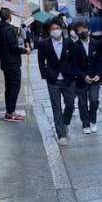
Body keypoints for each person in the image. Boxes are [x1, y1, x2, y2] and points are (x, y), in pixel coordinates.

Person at [37, 17, 77, 146]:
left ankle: (65, 122)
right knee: (56, 107)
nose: (56, 30)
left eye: (58, 28)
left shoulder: (69, 42)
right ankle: (61, 134)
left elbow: (75, 60)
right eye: (53, 29)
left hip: (68, 79)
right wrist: (45, 75)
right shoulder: (44, 44)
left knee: (70, 104)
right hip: (53, 80)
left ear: (61, 29)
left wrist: (74, 73)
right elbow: (41, 61)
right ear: (49, 31)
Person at [0, 8, 29, 122]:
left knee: (9, 87)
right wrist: (25, 50)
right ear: (9, 16)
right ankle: (11, 112)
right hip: (12, 63)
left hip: (5, 62)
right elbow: (13, 47)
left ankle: (9, 111)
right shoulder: (9, 29)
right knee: (14, 87)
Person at [73, 22, 102, 134]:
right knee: (82, 102)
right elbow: (73, 65)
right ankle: (85, 123)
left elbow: (100, 61)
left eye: (84, 29)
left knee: (94, 100)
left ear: (88, 30)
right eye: (80, 30)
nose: (83, 31)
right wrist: (83, 76)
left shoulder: (97, 44)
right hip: (81, 80)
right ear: (77, 33)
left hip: (95, 78)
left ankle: (93, 120)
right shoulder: (74, 46)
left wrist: (98, 74)